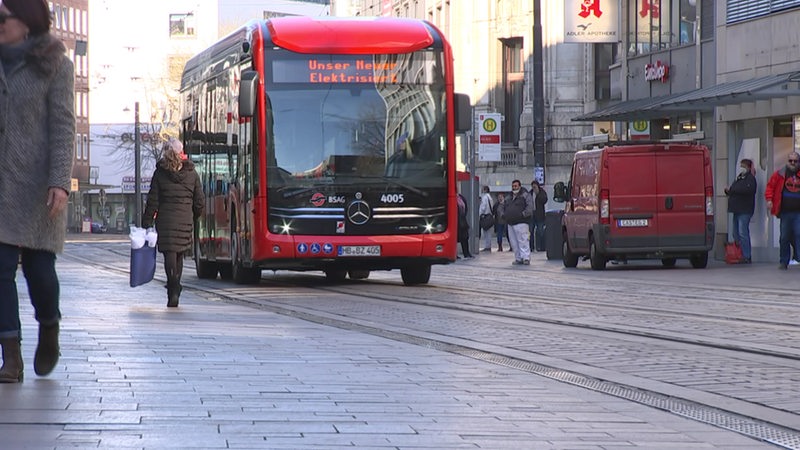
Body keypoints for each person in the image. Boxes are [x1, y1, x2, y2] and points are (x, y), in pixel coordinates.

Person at [0, 0, 75, 383]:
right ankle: (9, 358)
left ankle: (49, 326)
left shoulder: (56, 65)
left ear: (26, 23)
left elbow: (63, 127)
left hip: (38, 188)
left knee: (39, 271)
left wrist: (60, 181)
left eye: (3, 16)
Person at [142, 139, 205, 306]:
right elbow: (199, 201)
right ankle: (175, 286)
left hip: (165, 220)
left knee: (169, 253)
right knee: (179, 254)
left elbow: (153, 200)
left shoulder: (160, 173)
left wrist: (146, 221)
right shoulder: (192, 173)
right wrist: (195, 216)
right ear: (181, 152)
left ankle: (173, 288)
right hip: (185, 220)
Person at [765, 152, 800, 270]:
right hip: (785, 211)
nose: (793, 163)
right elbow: (770, 187)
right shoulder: (779, 174)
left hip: (798, 212)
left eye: (795, 161)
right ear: (787, 161)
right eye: (791, 161)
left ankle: (798, 257)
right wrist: (769, 200)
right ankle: (784, 261)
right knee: (784, 237)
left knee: (798, 234)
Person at [724, 158, 757, 264]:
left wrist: (732, 190)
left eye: (742, 165)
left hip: (745, 210)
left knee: (743, 233)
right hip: (736, 209)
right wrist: (728, 191)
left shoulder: (750, 178)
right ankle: (739, 253)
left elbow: (748, 190)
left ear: (747, 167)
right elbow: (734, 189)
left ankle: (746, 256)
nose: (741, 167)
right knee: (736, 233)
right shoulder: (739, 178)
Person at [497, 180, 533, 265]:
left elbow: (530, 206)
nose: (514, 187)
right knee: (514, 242)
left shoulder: (525, 195)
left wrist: (523, 215)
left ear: (519, 186)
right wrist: (503, 215)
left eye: (516, 186)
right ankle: (518, 258)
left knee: (523, 240)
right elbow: (501, 206)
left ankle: (526, 258)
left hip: (522, 222)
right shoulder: (509, 196)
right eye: (513, 186)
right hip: (510, 223)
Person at [529, 180, 548, 252]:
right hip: (532, 215)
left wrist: (538, 194)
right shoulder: (530, 193)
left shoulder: (541, 192)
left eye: (535, 186)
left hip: (539, 215)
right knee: (530, 231)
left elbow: (544, 200)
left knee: (541, 231)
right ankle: (531, 247)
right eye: (533, 187)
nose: (534, 188)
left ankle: (541, 247)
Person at [456, 191, 473, 259]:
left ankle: (466, 253)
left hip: (462, 220)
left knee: (465, 237)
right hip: (455, 221)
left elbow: (466, 208)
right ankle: (455, 254)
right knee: (456, 238)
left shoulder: (461, 197)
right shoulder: (452, 198)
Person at [478, 186, 494, 252]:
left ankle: (487, 247)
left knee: (486, 232)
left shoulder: (485, 197)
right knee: (488, 232)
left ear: (485, 190)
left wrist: (480, 214)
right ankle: (488, 246)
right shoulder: (490, 197)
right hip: (489, 216)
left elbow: (483, 207)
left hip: (485, 216)